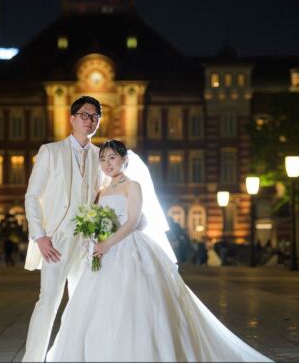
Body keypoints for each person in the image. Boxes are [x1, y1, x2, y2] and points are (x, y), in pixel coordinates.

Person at [46, 140, 272, 362]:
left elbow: (134, 221)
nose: (107, 163)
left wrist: (107, 244)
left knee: (136, 303)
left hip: (128, 248)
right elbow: (97, 220)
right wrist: (94, 239)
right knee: (98, 308)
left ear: (124, 160)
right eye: (103, 159)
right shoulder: (101, 192)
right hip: (104, 252)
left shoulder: (132, 185)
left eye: (112, 158)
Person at [22, 96, 108, 362]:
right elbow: (31, 196)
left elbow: (101, 196)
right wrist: (40, 236)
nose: (90, 121)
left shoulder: (100, 156)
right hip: (56, 239)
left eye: (95, 117)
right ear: (71, 118)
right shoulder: (50, 151)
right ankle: (33, 359)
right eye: (84, 115)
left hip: (87, 242)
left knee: (83, 305)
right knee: (48, 302)